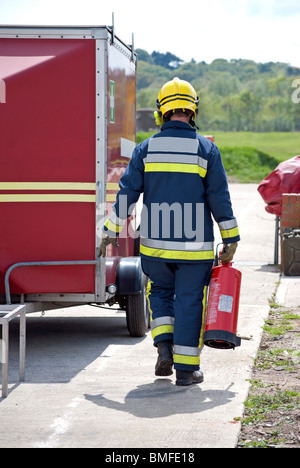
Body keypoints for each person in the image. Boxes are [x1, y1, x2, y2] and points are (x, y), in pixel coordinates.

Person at [99, 77, 240, 386]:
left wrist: (109, 232)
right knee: (189, 301)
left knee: (160, 292)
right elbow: (219, 198)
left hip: (154, 248)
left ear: (161, 112)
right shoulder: (207, 150)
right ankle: (187, 371)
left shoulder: (145, 150)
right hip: (195, 248)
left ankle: (164, 347)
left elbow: (127, 194)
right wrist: (231, 238)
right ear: (193, 111)